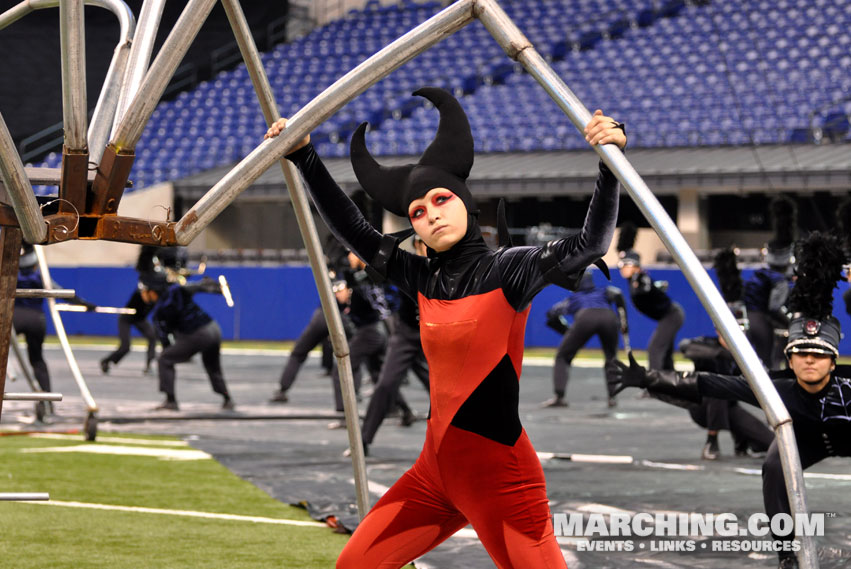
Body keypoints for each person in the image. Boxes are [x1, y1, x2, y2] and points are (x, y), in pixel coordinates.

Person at [266, 86, 625, 568]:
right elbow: (354, 230)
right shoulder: (421, 276)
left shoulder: (509, 270)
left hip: (503, 484)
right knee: (353, 565)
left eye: (440, 199)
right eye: (417, 211)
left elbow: (590, 243)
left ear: (464, 200)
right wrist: (304, 155)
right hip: (432, 478)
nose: (431, 214)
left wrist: (610, 165)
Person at [608, 231, 849, 569]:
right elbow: (711, 384)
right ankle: (786, 556)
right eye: (802, 353)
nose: (810, 360)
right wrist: (649, 377)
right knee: (773, 467)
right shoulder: (773, 387)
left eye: (819, 355)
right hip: (805, 441)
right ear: (789, 359)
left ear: (834, 361)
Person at [358, 236, 430, 455]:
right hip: (407, 333)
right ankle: (362, 440)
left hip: (437, 336)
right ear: (417, 244)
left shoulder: (450, 267)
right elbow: (377, 269)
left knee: (448, 391)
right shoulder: (406, 265)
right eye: (424, 243)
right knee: (386, 384)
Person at [140, 271, 234, 411]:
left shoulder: (160, 311)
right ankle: (227, 398)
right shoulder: (175, 291)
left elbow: (166, 341)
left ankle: (170, 401)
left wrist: (172, 350)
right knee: (213, 366)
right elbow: (195, 286)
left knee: (164, 359)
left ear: (152, 291)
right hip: (213, 329)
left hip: (198, 334)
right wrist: (214, 287)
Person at [13, 245, 96, 395]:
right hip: (36, 320)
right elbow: (62, 293)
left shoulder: (10, 275)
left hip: (15, 318)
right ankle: (47, 401)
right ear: (35, 264)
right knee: (37, 360)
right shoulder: (40, 276)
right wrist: (84, 303)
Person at [540, 270, 627, 408]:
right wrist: (624, 322)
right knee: (611, 357)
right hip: (609, 317)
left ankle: (559, 397)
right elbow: (618, 294)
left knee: (562, 356)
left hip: (585, 318)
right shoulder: (603, 291)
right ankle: (613, 397)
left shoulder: (574, 298)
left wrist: (566, 331)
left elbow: (551, 313)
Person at [269, 275, 353, 403]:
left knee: (298, 353)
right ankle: (357, 393)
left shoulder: (341, 269)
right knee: (357, 354)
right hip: (334, 316)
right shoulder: (348, 271)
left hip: (328, 316)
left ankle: (282, 389)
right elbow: (341, 295)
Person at [328, 251, 390, 418]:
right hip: (375, 329)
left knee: (342, 368)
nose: (349, 258)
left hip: (371, 330)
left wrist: (347, 296)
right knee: (379, 374)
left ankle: (344, 415)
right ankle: (401, 409)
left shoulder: (366, 279)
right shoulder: (359, 279)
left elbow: (363, 298)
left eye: (353, 254)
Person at [616, 222, 684, 370]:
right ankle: (670, 387)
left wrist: (644, 283)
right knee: (665, 353)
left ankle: (655, 388)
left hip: (671, 315)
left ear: (635, 266)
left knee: (655, 349)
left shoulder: (639, 278)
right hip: (668, 315)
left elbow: (643, 286)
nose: (622, 267)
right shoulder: (634, 279)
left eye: (625, 264)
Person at [743, 196, 796, 369]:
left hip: (749, 316)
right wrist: (789, 322)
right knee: (769, 360)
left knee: (762, 359)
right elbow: (774, 308)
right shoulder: (779, 280)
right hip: (760, 320)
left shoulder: (761, 275)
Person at [100, 246, 159, 375]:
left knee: (152, 336)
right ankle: (106, 361)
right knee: (126, 347)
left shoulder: (158, 292)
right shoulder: (142, 290)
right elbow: (144, 292)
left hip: (140, 318)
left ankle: (149, 365)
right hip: (127, 317)